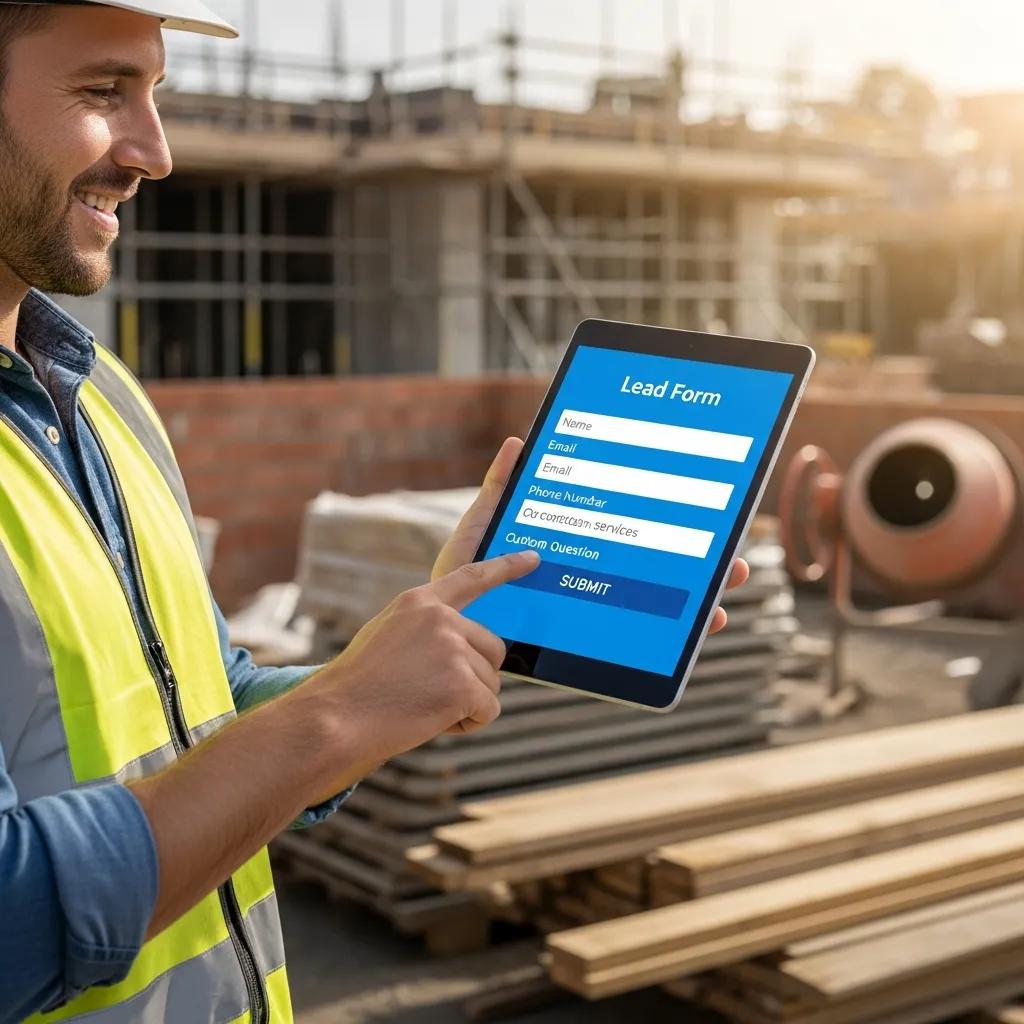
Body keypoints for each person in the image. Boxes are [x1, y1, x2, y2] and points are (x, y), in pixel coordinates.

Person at [0, 2, 751, 1022]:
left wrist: (421, 647)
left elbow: (203, 714)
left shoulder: (102, 398)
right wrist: (341, 713)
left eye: (155, 96)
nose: (157, 152)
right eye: (102, 92)